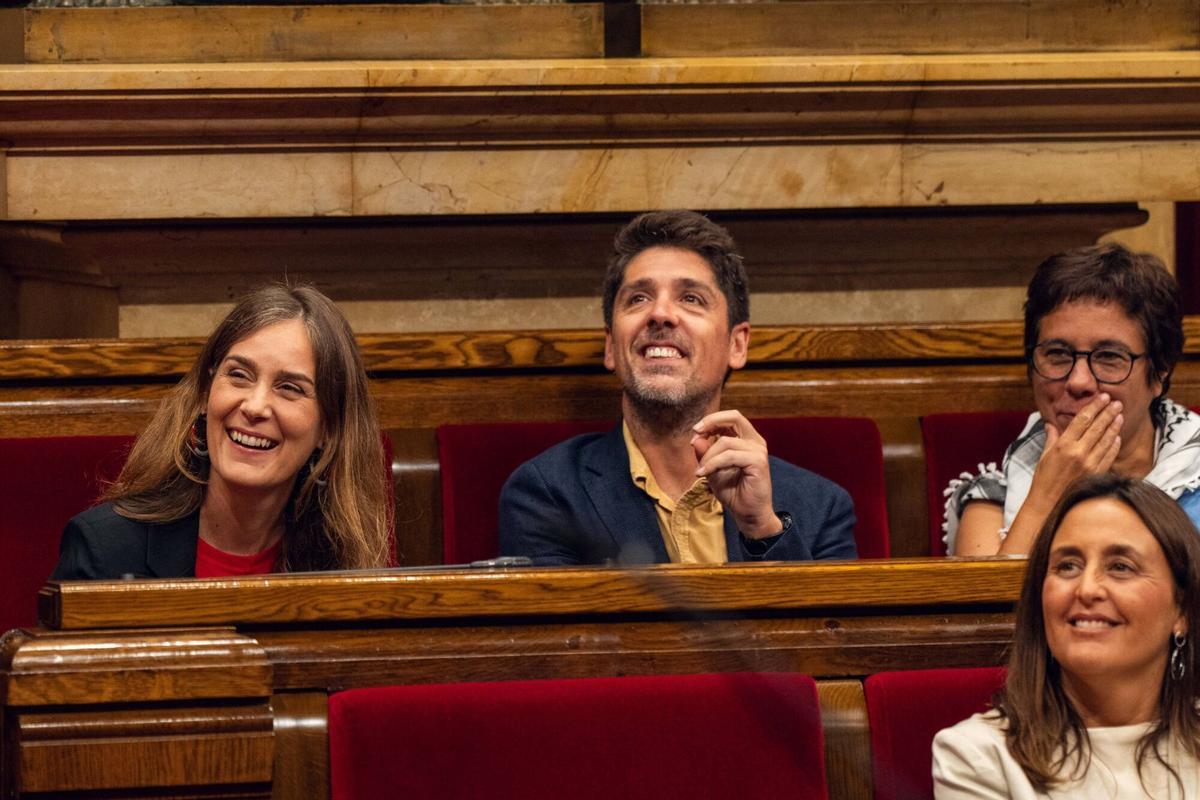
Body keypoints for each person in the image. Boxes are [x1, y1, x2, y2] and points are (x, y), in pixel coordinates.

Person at [498, 210, 856, 566]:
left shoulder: (822, 507)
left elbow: (823, 624)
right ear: (611, 347)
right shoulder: (547, 492)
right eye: (638, 298)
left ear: (737, 345)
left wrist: (760, 527)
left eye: (691, 298)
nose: (660, 314)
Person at [51, 284, 391, 579]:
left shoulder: (342, 566)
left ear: (328, 429)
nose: (255, 407)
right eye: (239, 375)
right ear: (204, 393)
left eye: (289, 387)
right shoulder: (105, 549)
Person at [933, 474, 1200, 798]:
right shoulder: (978, 757)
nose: (1086, 589)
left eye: (1121, 567)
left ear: (1182, 609)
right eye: (1067, 566)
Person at [944, 242, 1200, 555]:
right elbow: (993, 603)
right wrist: (1045, 501)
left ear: (1159, 372)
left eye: (1108, 356)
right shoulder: (991, 501)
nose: (1079, 382)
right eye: (1058, 354)